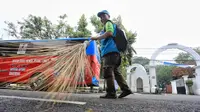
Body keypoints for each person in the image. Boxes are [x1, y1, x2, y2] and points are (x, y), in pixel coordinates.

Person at [91, 10, 133, 99]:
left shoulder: (108, 23)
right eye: (101, 17)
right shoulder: (105, 27)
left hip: (110, 53)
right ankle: (126, 89)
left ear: (108, 16)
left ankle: (111, 93)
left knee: (108, 71)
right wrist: (97, 36)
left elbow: (109, 33)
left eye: (104, 16)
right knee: (116, 72)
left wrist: (97, 38)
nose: (102, 18)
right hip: (115, 53)